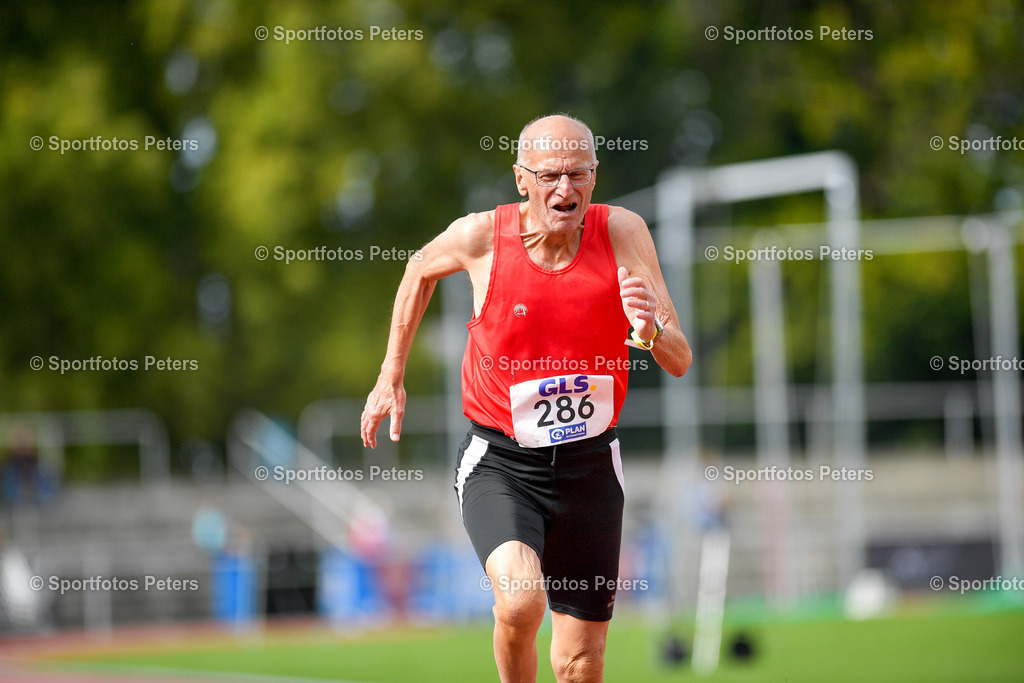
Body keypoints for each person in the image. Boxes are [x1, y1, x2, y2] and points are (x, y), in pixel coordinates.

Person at [361, 114, 691, 682]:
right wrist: (391, 372)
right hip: (503, 463)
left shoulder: (622, 232)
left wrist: (650, 330)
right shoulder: (482, 237)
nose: (566, 188)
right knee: (520, 601)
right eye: (551, 175)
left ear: (594, 176)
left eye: (579, 174)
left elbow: (678, 358)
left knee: (580, 663)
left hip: (590, 469)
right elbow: (418, 269)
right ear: (521, 179)